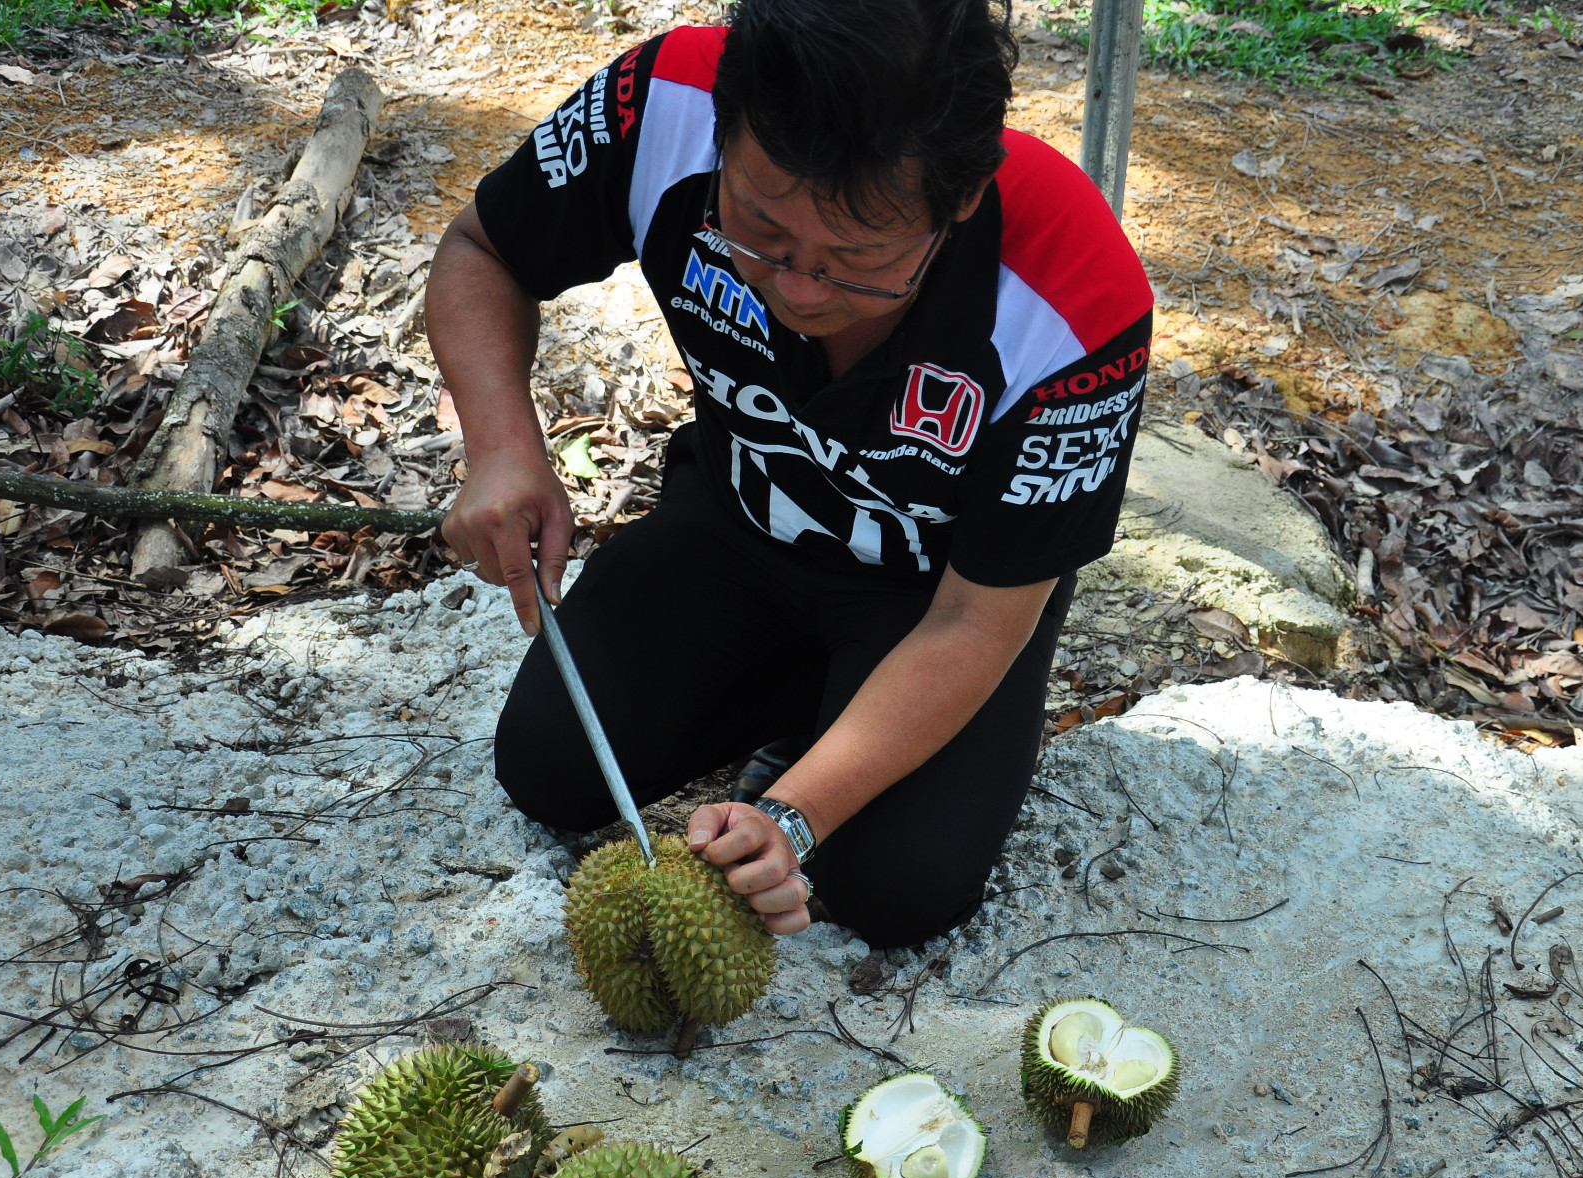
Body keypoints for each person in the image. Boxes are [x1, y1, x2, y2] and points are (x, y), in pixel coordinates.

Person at [427, 0, 1153, 950]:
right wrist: (503, 447)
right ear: (724, 132)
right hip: (739, 525)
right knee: (550, 767)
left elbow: (978, 620)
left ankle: (839, 713)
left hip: (937, 599)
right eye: (761, 232)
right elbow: (483, 250)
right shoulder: (665, 102)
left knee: (894, 888)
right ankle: (800, 692)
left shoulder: (1073, 297)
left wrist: (795, 814)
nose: (802, 290)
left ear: (963, 198)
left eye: (859, 260)